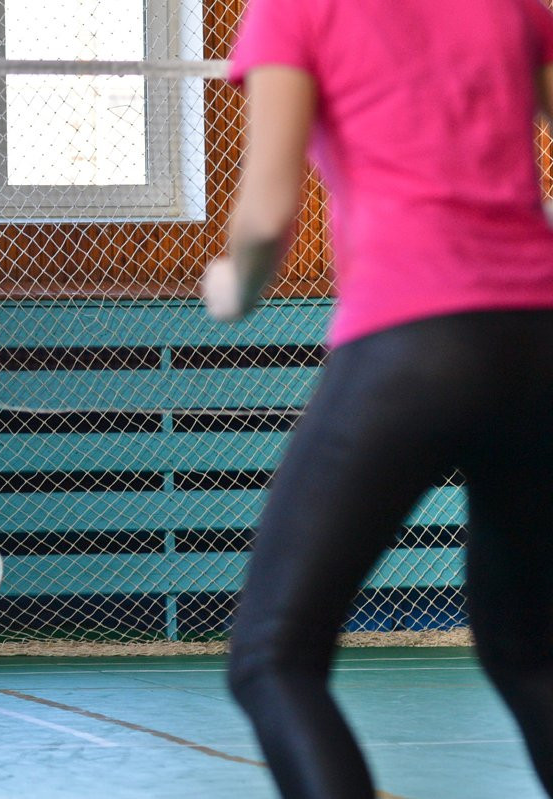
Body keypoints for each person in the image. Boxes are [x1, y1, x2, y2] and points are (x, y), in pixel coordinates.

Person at [203, 1, 553, 796]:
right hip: (539, 342)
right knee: (533, 655)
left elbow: (265, 213)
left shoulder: (296, 9)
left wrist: (233, 287)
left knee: (273, 656)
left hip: (412, 337)